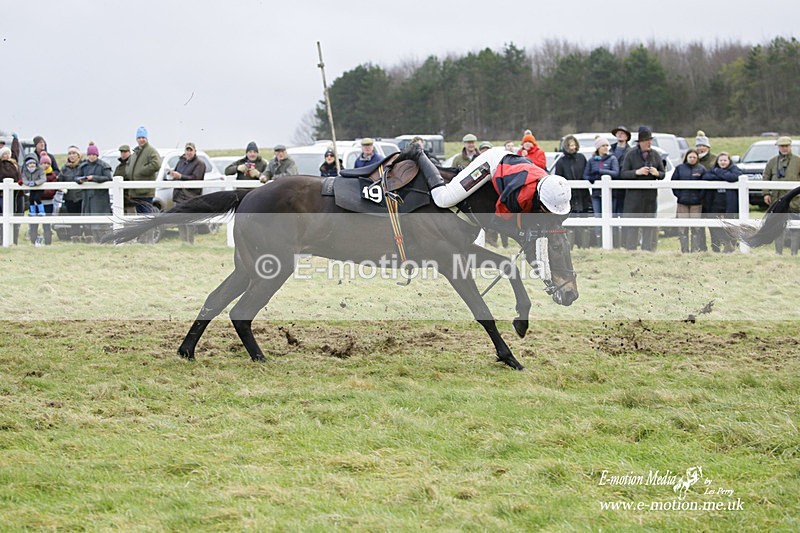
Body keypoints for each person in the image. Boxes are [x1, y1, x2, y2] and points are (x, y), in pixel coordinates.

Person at [410, 143, 571, 222]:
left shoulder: (548, 183)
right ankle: (418, 153)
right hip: (489, 164)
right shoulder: (521, 196)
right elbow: (501, 215)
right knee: (443, 199)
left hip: (506, 161)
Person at [620, 127, 665, 251]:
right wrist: (637, 172)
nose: (648, 143)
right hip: (634, 197)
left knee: (649, 224)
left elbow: (663, 174)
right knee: (633, 224)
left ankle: (648, 250)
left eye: (650, 140)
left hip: (650, 197)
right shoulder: (630, 154)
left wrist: (657, 173)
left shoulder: (655, 155)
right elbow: (623, 174)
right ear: (640, 142)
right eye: (646, 140)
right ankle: (631, 250)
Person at [763, 136, 800, 255]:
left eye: (786, 146)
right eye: (781, 146)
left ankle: (794, 252)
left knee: (796, 227)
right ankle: (778, 252)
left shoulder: (798, 161)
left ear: (790, 146)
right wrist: (766, 193)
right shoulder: (772, 161)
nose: (784, 148)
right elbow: (766, 177)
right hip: (777, 200)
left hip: (795, 200)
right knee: (778, 227)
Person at [582, 136, 620, 246]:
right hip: (596, 195)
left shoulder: (612, 159)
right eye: (603, 145)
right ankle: (599, 244)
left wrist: (601, 171)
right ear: (598, 147)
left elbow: (616, 173)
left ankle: (612, 243)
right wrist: (591, 178)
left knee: (610, 218)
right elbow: (585, 175)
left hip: (610, 196)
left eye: (607, 145)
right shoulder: (592, 160)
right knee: (598, 219)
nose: (605, 147)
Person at [703, 152, 742, 253]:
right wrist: (723, 176)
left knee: (730, 224)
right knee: (713, 223)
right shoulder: (713, 169)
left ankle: (731, 245)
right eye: (721, 160)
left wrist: (719, 173)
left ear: (729, 161)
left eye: (725, 160)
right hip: (716, 202)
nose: (723, 162)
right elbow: (706, 177)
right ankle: (724, 243)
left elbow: (734, 177)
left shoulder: (734, 169)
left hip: (730, 203)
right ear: (717, 161)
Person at [555, 135, 590, 247]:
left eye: (574, 144)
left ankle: (583, 245)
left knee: (584, 219)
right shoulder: (561, 162)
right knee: (570, 221)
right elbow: (558, 178)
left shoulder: (581, 158)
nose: (572, 147)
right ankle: (569, 245)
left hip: (582, 194)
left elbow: (586, 173)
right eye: (570, 145)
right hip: (569, 196)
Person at [168, 142, 205, 243]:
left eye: (190, 150)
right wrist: (172, 174)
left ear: (195, 151)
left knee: (189, 222)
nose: (188, 152)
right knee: (179, 221)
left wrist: (180, 176)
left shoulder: (200, 164)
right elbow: (176, 173)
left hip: (191, 196)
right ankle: (183, 243)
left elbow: (196, 178)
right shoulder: (181, 162)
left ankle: (190, 243)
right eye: (187, 150)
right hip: (178, 195)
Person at [672, 149, 707, 253]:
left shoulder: (701, 169)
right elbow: (674, 183)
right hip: (683, 202)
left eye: (694, 157)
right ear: (686, 157)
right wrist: (679, 196)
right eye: (690, 157)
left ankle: (695, 249)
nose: (692, 159)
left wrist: (700, 197)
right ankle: (684, 250)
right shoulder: (679, 168)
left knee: (696, 227)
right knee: (683, 227)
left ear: (697, 158)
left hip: (696, 203)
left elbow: (705, 185)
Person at [76, 142, 113, 242]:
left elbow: (108, 178)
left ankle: (104, 241)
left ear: (97, 155)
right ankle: (93, 240)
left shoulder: (103, 166)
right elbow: (76, 177)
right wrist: (80, 180)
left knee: (101, 223)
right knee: (89, 222)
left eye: (93, 155)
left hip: (100, 198)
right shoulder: (83, 166)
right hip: (87, 197)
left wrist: (94, 178)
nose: (91, 157)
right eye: (90, 155)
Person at [125, 126, 161, 214]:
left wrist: (141, 171)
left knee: (147, 214)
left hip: (145, 191)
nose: (141, 140)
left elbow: (157, 164)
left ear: (146, 138)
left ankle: (151, 228)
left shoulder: (151, 151)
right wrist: (129, 172)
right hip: (136, 190)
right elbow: (128, 165)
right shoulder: (136, 152)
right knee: (140, 215)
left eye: (143, 138)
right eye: (139, 138)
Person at [58, 145, 86, 240]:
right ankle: (75, 237)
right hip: (69, 197)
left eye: (74, 153)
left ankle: (87, 237)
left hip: (81, 197)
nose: (72, 155)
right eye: (70, 153)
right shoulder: (65, 168)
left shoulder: (84, 166)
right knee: (73, 219)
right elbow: (60, 180)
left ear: (78, 155)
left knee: (85, 218)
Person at [0, 134, 22, 244]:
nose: (6, 155)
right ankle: (3, 240)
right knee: (3, 217)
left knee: (17, 216)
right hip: (2, 195)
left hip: (17, 194)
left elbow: (15, 150)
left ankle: (14, 240)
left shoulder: (14, 162)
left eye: (7, 153)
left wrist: (15, 140)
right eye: (3, 154)